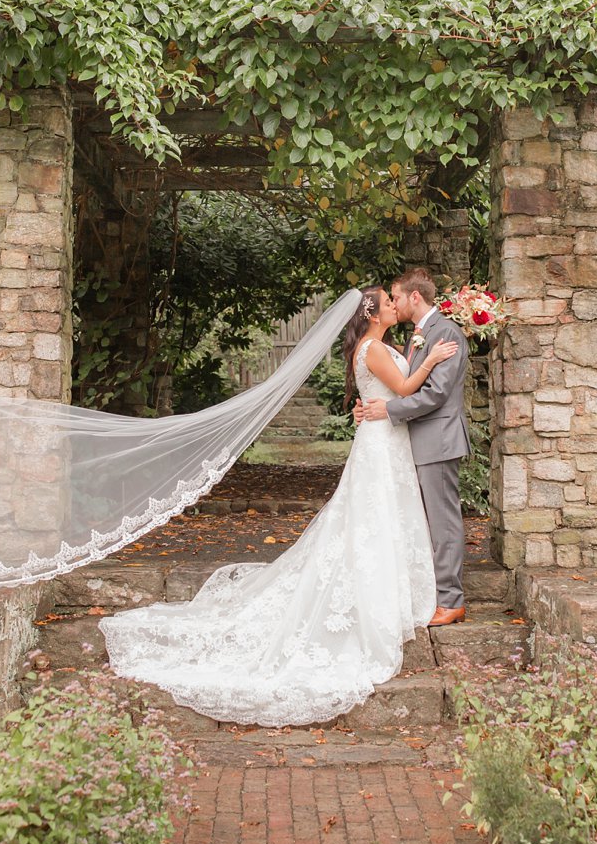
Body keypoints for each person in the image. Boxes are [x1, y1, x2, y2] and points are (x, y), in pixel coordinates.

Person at [98, 285, 460, 726]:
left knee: (378, 518)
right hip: (382, 444)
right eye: (387, 301)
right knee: (372, 517)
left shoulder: (379, 345)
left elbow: (391, 395)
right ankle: (376, 597)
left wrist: (380, 402)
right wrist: (431, 361)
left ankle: (394, 588)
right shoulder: (374, 347)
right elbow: (403, 386)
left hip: (387, 439)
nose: (393, 305)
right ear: (372, 313)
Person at [353, 267, 471, 625]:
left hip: (437, 438)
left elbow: (435, 394)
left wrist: (387, 409)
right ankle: (433, 593)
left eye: (398, 297)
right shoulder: (417, 335)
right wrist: (369, 404)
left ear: (414, 297)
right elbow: (402, 383)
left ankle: (451, 601)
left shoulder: (445, 332)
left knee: (443, 521)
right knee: (423, 521)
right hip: (413, 440)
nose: (396, 304)